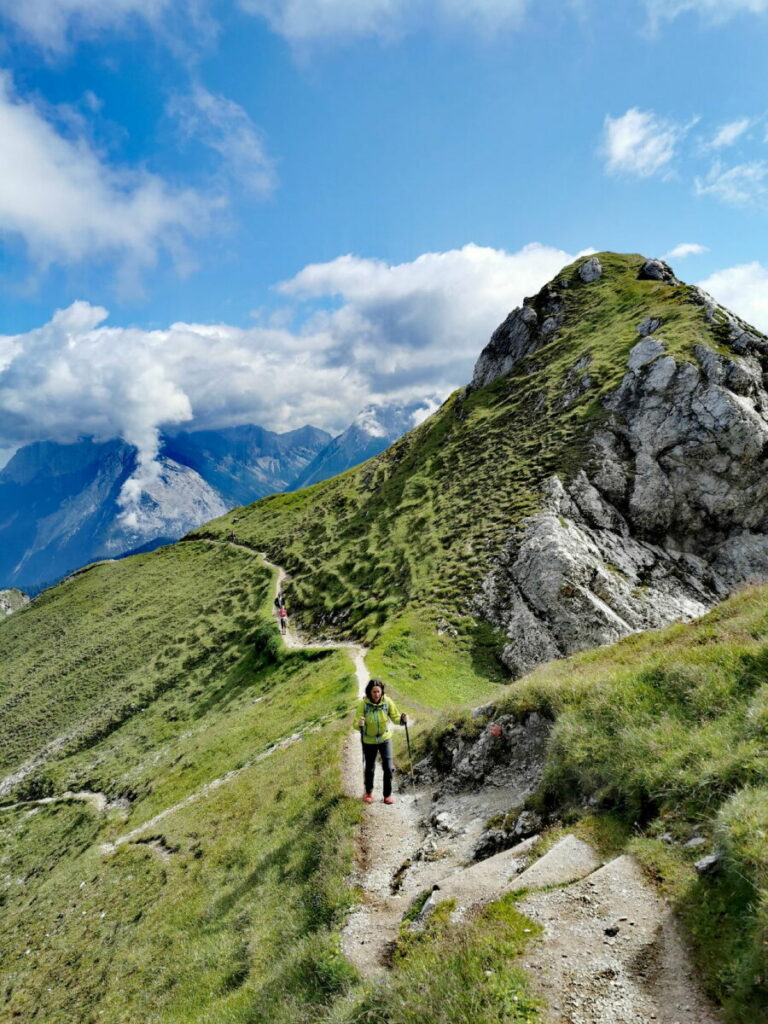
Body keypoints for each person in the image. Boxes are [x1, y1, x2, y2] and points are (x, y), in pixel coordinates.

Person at [357, 679, 407, 805]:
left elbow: (395, 717)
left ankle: (387, 795)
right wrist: (360, 724)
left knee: (388, 767)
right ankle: (368, 792)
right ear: (369, 692)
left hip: (384, 738)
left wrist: (402, 720)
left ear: (382, 692)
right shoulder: (363, 705)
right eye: (374, 692)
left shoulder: (387, 702)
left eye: (378, 691)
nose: (376, 694)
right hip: (369, 740)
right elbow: (355, 723)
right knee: (370, 768)